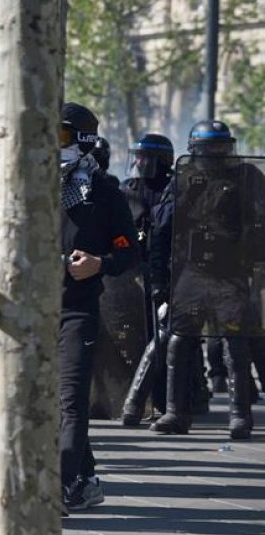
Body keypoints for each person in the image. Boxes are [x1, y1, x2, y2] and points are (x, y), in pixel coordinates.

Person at [148, 120, 265, 440]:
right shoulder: (183, 181)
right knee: (178, 341)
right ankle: (175, 412)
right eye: (208, 149)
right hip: (192, 272)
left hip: (232, 273)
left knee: (235, 342)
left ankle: (240, 416)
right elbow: (163, 230)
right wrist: (159, 279)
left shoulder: (248, 177)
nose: (215, 154)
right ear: (195, 151)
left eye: (221, 148)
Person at [57, 102, 139, 511]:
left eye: (63, 138)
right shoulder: (27, 186)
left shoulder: (105, 193)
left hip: (77, 310)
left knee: (71, 401)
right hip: (29, 312)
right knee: (40, 399)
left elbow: (129, 251)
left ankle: (58, 483)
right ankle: (84, 478)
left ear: (85, 141)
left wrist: (99, 264)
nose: (53, 148)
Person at [119, 134, 175, 426]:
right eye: (137, 157)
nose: (139, 162)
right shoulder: (128, 190)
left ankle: (163, 400)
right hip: (130, 274)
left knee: (165, 336)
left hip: (163, 273)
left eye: (146, 158)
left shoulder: (172, 190)